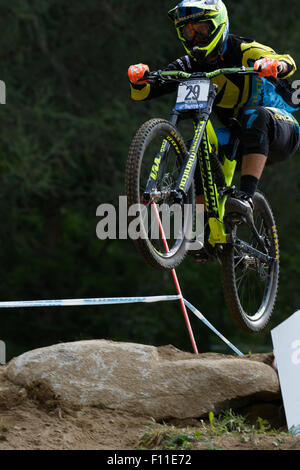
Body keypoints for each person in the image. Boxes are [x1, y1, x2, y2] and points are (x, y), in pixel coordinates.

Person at [128, 0, 300, 259]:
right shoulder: (190, 63)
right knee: (191, 150)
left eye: (202, 29)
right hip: (239, 135)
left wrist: (273, 65)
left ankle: (246, 198)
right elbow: (148, 90)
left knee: (255, 116)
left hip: (281, 128)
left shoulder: (242, 49)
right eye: (188, 31)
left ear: (218, 26)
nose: (195, 36)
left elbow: (286, 61)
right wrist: (139, 77)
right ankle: (205, 233)